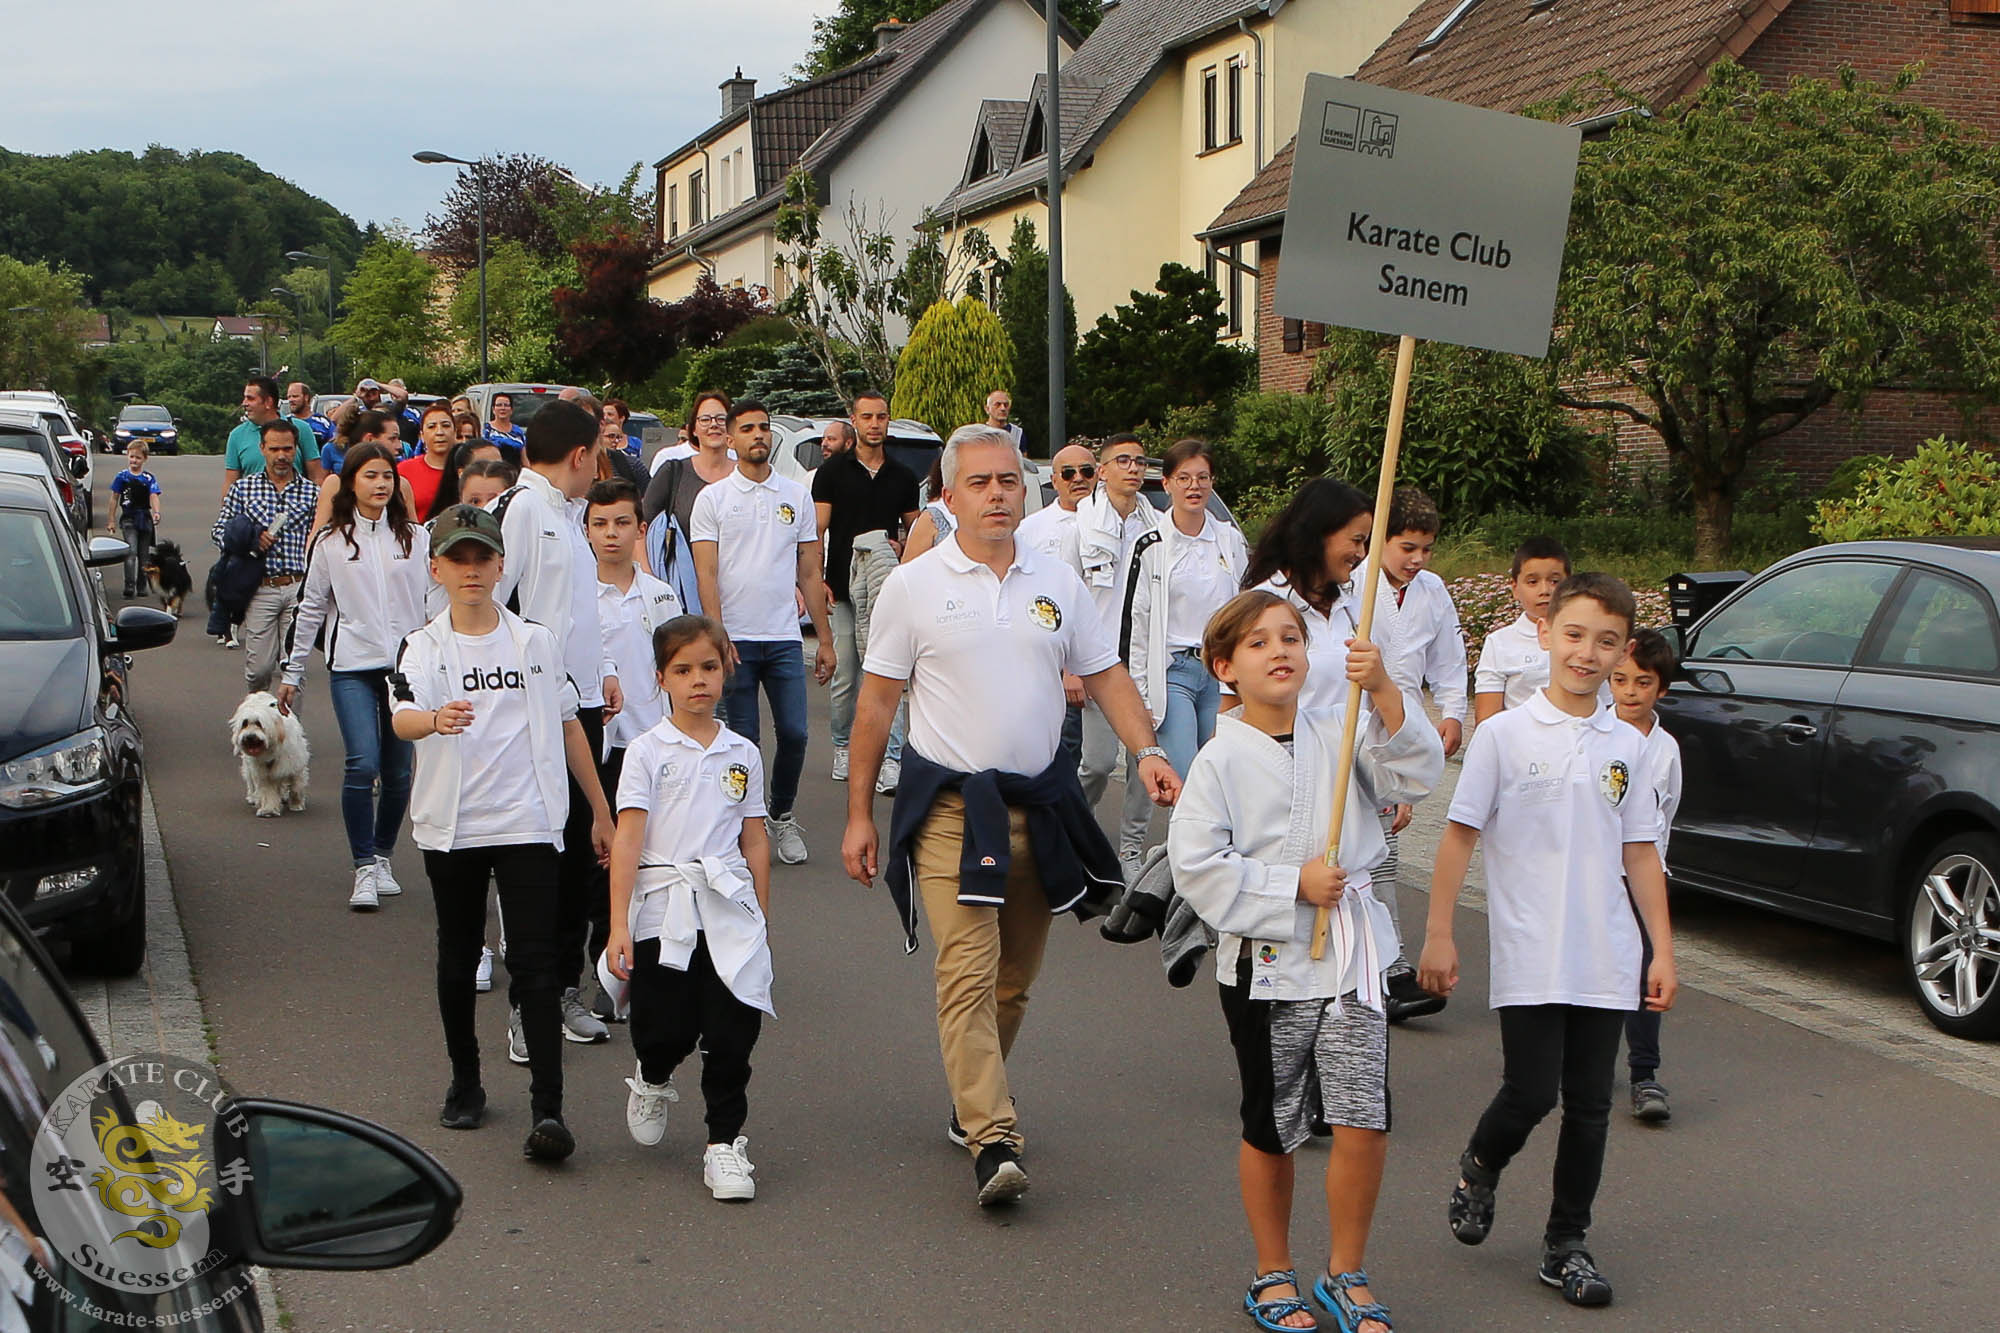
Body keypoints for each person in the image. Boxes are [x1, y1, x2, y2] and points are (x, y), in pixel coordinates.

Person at [841, 424, 1181, 1206]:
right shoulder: (914, 585)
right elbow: (876, 703)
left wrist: (1148, 750)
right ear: (949, 495)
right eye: (982, 482)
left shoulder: (1054, 578)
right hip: (953, 812)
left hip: (1041, 805)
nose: (998, 494)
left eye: (1008, 481)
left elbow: (1103, 670)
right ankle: (993, 1134)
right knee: (965, 970)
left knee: (1014, 981)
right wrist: (860, 813)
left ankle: (971, 1102)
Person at [1168, 590, 1442, 1333]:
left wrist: (1384, 688)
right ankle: (1272, 1271)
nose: (1280, 650)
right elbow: (1197, 865)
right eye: (1257, 643)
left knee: (1361, 1119)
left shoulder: (1341, 728)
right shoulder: (1218, 758)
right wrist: (1291, 885)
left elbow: (1414, 775)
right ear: (1225, 665)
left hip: (1350, 957)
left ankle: (1345, 1271)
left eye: (1290, 636)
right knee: (1273, 1122)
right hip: (1266, 965)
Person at [1418, 572, 1677, 1310]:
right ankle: (1480, 1162)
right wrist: (1439, 934)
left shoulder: (1628, 745)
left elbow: (1641, 855)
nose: (1587, 653)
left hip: (1608, 950)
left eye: (1605, 641)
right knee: (1531, 1091)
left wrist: (1662, 947)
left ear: (1623, 650)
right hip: (1532, 945)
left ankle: (1567, 1242)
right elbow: (1459, 836)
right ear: (1547, 635)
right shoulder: (1505, 735)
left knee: (1591, 1104)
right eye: (1573, 634)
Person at [390, 504, 614, 1162]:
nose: (470, 570)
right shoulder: (423, 646)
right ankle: (466, 1081)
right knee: (458, 958)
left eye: (481, 558)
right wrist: (435, 719)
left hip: (528, 823)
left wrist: (601, 811)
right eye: (457, 559)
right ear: (436, 567)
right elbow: (402, 715)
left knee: (538, 963)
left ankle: (550, 1109)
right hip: (454, 827)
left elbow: (571, 725)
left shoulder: (535, 643)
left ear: (500, 565)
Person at [605, 614, 771, 1200]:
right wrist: (618, 924)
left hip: (727, 907)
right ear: (661, 679)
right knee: (664, 1025)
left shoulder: (743, 752)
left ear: (725, 670)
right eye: (683, 670)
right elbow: (628, 837)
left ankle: (724, 1144)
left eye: (707, 666)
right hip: (663, 908)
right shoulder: (648, 752)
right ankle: (652, 1075)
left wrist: (760, 918)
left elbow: (753, 838)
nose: (697, 679)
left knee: (732, 1030)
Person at [493, 399, 621, 1050]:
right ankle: (527, 1003)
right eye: (596, 451)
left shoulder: (570, 517)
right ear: (579, 455)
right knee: (540, 863)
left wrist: (600, 670)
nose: (598, 462)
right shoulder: (522, 510)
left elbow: (574, 611)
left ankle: (564, 989)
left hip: (582, 709)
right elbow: (491, 604)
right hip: (537, 716)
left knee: (579, 857)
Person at [277, 442, 428, 911]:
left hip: (404, 671)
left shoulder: (415, 538)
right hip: (352, 669)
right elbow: (311, 608)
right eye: (370, 476)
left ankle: (383, 856)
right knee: (362, 763)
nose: (381, 484)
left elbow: (434, 601)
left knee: (399, 771)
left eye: (387, 476)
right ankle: (363, 866)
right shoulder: (331, 542)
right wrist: (293, 669)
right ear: (351, 483)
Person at [690, 400, 834, 865]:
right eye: (748, 428)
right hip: (735, 639)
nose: (759, 435)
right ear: (729, 438)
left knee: (795, 733)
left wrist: (826, 640)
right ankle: (744, 825)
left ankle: (782, 814)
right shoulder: (713, 499)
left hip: (784, 636)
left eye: (764, 428)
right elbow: (706, 575)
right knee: (744, 739)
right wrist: (718, 637)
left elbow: (810, 573)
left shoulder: (794, 496)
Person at [1370, 486, 1468, 1024]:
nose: (1418, 560)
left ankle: (1389, 969)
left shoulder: (1432, 591)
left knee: (1383, 850)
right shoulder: (1354, 588)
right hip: (1356, 731)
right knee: (1373, 852)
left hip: (1403, 732)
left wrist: (1452, 710)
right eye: (1407, 547)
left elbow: (1449, 661)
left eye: (1427, 549)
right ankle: (1388, 969)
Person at [811, 389, 919, 788]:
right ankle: (843, 746)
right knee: (845, 676)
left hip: (885, 592)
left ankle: (889, 757)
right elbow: (816, 531)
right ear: (853, 421)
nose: (875, 424)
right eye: (868, 417)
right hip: (839, 589)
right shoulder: (832, 472)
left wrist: (902, 545)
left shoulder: (903, 476)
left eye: (882, 417)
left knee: (884, 675)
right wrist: (815, 580)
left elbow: (917, 527)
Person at [1127, 439, 1250, 781]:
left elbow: (1247, 605)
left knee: (1221, 772)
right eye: (1184, 478)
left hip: (1221, 671)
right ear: (1166, 483)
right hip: (1173, 672)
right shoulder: (1150, 545)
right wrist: (1141, 695)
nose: (1194, 487)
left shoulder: (1229, 540)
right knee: (1185, 774)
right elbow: (1137, 624)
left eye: (1202, 478)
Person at [1072, 433, 1161, 877]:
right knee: (1099, 762)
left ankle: (1129, 851)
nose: (1133, 468)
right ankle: (1074, 830)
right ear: (1102, 471)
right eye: (1122, 460)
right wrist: (1070, 666)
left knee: (1147, 759)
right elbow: (1066, 597)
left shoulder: (1158, 526)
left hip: (1146, 663)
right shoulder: (1081, 525)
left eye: (1140, 461)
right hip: (1097, 665)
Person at [1607, 629, 1682, 1124]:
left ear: (1661, 689)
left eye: (1642, 682)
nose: (1630, 692)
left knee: (1644, 973)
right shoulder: (1594, 734)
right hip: (1592, 872)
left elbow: (1666, 811)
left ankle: (1644, 1074)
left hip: (1641, 874)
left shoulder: (1666, 749)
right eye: (1620, 680)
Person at [589, 476, 682, 804]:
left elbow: (678, 665)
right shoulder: (577, 596)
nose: (611, 533)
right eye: (599, 523)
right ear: (587, 530)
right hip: (601, 742)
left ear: (640, 530)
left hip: (653, 737)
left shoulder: (661, 595)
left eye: (622, 522)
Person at [213, 419, 319, 692]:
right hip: (261, 587)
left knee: (293, 670)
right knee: (259, 669)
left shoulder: (313, 493)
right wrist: (250, 538)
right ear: (262, 449)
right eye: (274, 449)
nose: (282, 456)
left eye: (288, 448)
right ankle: (259, 722)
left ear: (296, 449)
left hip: (298, 588)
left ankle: (290, 732)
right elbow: (219, 531)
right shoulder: (244, 489)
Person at [1017, 442, 1097, 768]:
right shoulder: (1031, 529)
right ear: (1054, 479)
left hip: (1111, 654)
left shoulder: (1117, 524)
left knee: (1103, 761)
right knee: (1063, 746)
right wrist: (1068, 666)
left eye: (1086, 471)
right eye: (1068, 473)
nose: (1078, 478)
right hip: (1052, 657)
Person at [642, 391, 736, 599]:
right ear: (693, 428)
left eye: (721, 418)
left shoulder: (745, 476)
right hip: (685, 592)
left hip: (739, 594)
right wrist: (649, 580)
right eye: (705, 419)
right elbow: (641, 527)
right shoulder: (673, 472)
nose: (714, 424)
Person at [1473, 537, 1573, 722]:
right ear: (1515, 588)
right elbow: (1487, 720)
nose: (1545, 590)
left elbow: (1604, 707)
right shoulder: (1500, 643)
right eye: (1533, 582)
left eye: (1554, 581)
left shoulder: (1586, 638)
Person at [222, 375, 324, 496]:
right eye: (245, 398)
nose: (244, 404)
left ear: (268, 402)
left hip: (296, 508)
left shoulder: (301, 429)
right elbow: (230, 483)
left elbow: (316, 476)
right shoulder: (237, 436)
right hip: (254, 510)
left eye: (250, 399)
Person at [106, 442, 161, 598]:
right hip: (128, 519)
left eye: (138, 458)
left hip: (145, 519)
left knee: (144, 555)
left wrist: (156, 512)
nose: (134, 461)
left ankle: (142, 586)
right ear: (127, 456)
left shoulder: (148, 478)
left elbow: (154, 495)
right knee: (131, 552)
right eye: (131, 457)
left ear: (145, 459)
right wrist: (111, 520)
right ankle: (129, 586)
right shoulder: (122, 477)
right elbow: (114, 498)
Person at [400, 403, 462, 520]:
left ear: (455, 432)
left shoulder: (468, 469)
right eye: (432, 426)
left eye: (445, 425)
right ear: (422, 436)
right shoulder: (404, 471)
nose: (439, 432)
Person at [285, 381, 335, 446]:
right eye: (289, 397)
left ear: (306, 397)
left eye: (295, 396)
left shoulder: (324, 423)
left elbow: (334, 447)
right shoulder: (285, 422)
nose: (291, 400)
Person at [485, 392, 527, 458]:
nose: (503, 408)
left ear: (511, 410)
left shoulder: (519, 432)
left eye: (506, 405)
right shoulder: (486, 430)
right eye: (499, 405)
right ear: (493, 409)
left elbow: (524, 458)